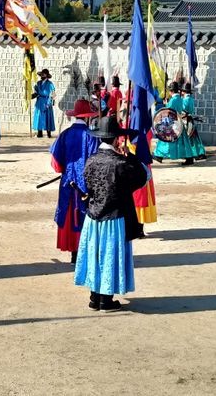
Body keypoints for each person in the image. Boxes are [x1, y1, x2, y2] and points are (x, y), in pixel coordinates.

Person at [74, 116, 148, 312]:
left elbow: (88, 185)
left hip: (93, 216)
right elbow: (143, 178)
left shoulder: (91, 160)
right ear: (116, 140)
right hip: (114, 218)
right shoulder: (121, 164)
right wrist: (131, 156)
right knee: (109, 257)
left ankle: (94, 297)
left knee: (95, 255)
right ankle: (106, 300)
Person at [50, 99, 100, 263]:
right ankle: (83, 251)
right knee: (84, 215)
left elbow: (55, 163)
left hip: (67, 182)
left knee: (70, 213)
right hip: (85, 185)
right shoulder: (92, 136)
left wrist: (66, 169)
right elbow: (96, 162)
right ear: (87, 117)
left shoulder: (64, 135)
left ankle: (73, 252)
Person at [152, 82, 195, 166]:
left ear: (171, 91)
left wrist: (165, 105)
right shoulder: (180, 99)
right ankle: (189, 157)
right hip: (179, 122)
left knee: (165, 139)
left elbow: (168, 111)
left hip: (171, 123)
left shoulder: (173, 100)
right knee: (183, 141)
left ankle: (158, 155)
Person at [181, 82, 207, 161]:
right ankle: (200, 153)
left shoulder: (185, 100)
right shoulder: (191, 99)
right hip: (191, 120)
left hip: (186, 120)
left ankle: (192, 154)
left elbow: (183, 110)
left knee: (189, 138)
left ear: (184, 92)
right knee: (195, 138)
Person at [32, 68, 56, 138]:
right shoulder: (38, 83)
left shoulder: (50, 84)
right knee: (39, 116)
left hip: (46, 101)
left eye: (43, 74)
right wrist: (31, 96)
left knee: (47, 116)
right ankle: (40, 133)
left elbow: (53, 94)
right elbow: (36, 92)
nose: (42, 75)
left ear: (46, 75)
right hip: (39, 102)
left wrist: (49, 102)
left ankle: (49, 133)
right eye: (41, 74)